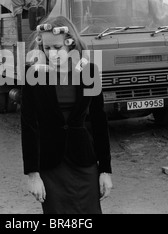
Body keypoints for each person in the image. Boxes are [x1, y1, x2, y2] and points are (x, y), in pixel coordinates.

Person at [21, 16, 113, 214]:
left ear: (71, 44)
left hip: (84, 161)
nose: (52, 53)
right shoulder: (33, 75)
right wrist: (33, 174)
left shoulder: (89, 72)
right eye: (47, 48)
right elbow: (29, 126)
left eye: (57, 47)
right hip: (50, 165)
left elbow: (99, 121)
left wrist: (105, 169)